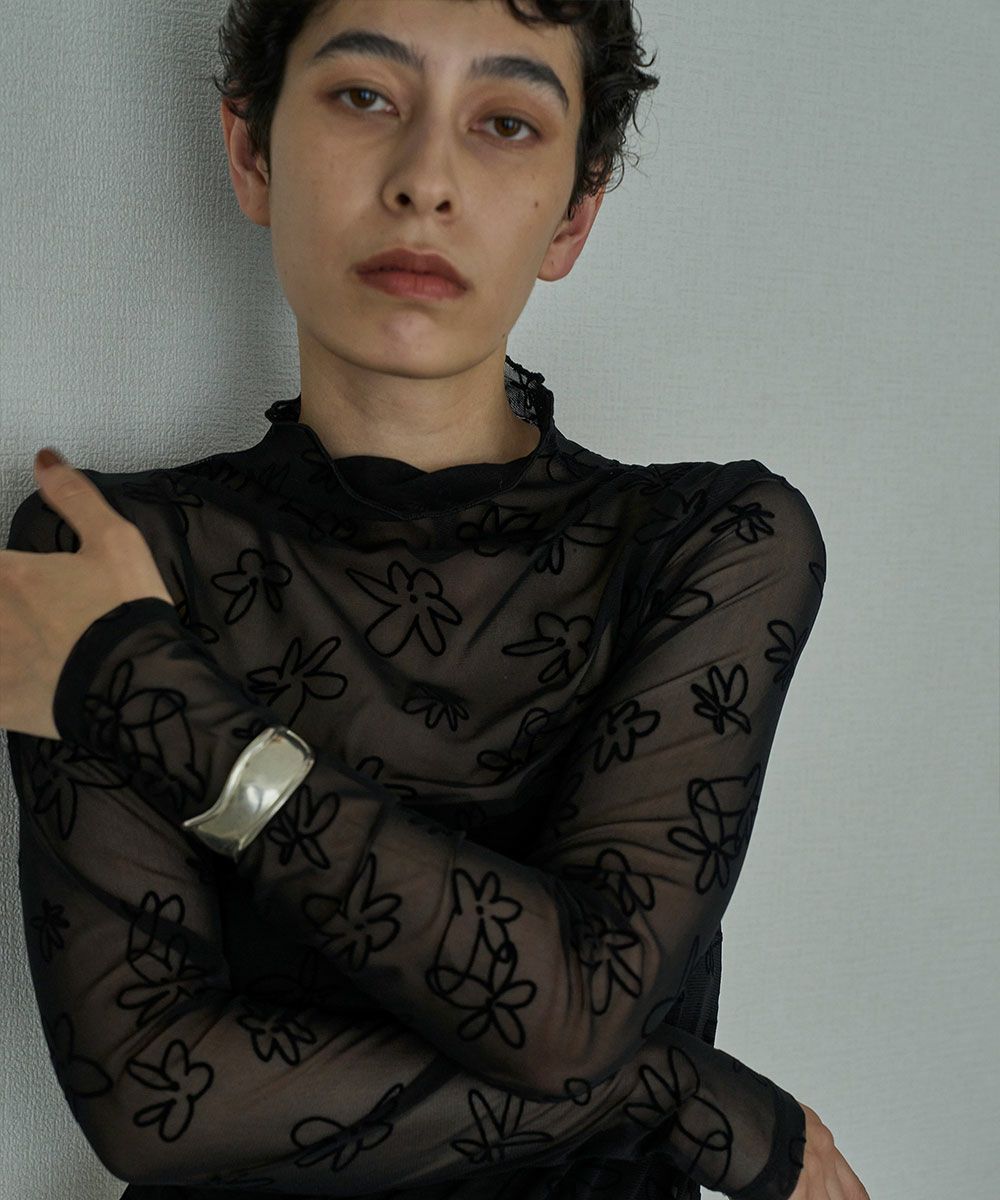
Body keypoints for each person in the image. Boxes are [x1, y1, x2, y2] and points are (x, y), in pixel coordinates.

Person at [5, 2, 866, 1198]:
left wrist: (160, 701)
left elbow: (571, 1018)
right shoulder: (100, 551)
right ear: (251, 153)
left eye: (505, 122)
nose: (425, 180)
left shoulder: (711, 544)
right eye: (364, 96)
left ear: (573, 214)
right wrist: (670, 1088)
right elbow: (155, 1102)